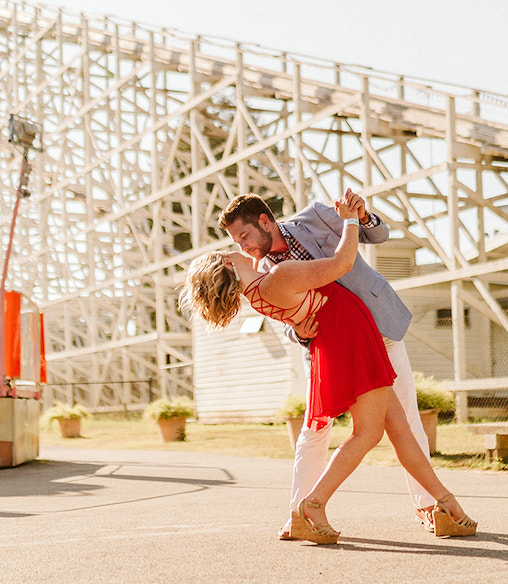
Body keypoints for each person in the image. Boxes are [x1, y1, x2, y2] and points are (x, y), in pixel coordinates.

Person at [180, 195, 477, 544]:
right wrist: (349, 220)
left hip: (366, 327)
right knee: (366, 433)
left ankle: (443, 506)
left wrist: (360, 217)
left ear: (263, 221)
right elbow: (341, 263)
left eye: (242, 237)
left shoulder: (277, 263)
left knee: (400, 426)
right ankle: (310, 506)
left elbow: (375, 239)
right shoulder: (271, 274)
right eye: (233, 247)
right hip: (349, 338)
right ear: (228, 266)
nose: (239, 247)